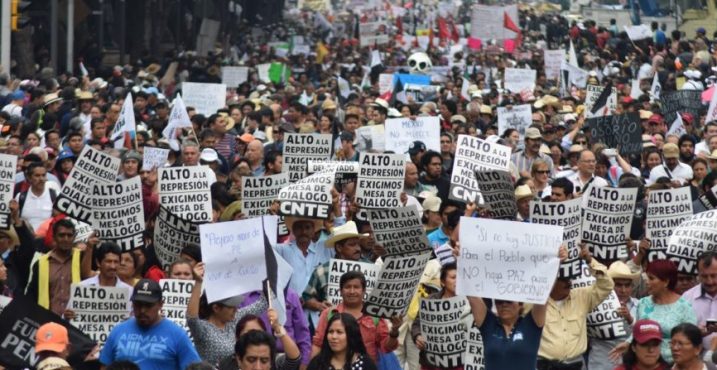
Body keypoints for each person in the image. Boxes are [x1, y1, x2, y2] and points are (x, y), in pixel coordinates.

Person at [467, 246, 567, 370]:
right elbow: (471, 293)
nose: (504, 304)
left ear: (520, 304)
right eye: (499, 301)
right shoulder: (488, 324)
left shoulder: (531, 324)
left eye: (509, 301)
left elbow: (544, 293)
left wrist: (557, 262)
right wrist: (462, 260)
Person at [538, 244, 614, 369]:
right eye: (563, 279)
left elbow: (607, 285)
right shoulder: (536, 302)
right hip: (545, 365)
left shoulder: (581, 296)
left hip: (576, 364)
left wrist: (590, 260)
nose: (569, 282)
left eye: (570, 278)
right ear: (551, 280)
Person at [100, 278, 200, 369]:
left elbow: (195, 368)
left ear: (161, 304)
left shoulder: (177, 335)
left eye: (148, 305)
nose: (142, 310)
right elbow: (104, 366)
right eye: (138, 305)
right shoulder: (118, 331)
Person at [612, 260, 697, 363]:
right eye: (647, 277)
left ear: (666, 281)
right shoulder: (643, 303)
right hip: (644, 365)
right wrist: (628, 343)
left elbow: (690, 341)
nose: (647, 282)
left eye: (651, 278)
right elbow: (638, 331)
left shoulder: (684, 307)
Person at [187, 262, 269, 365]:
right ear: (216, 308)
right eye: (231, 307)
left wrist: (264, 273)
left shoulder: (235, 318)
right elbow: (191, 319)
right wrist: (198, 282)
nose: (236, 309)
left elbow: (263, 303)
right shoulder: (203, 330)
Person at [311, 270, 399, 364]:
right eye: (347, 287)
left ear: (364, 291)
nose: (352, 291)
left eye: (356, 287)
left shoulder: (375, 316)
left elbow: (386, 347)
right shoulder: (329, 313)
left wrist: (394, 332)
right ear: (340, 291)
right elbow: (318, 344)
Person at [411, 263, 471, 369]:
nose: (458, 281)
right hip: (432, 363)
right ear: (443, 282)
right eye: (453, 277)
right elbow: (417, 324)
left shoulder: (471, 301)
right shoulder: (430, 301)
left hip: (461, 363)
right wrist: (418, 336)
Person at [589, 261, 640, 370]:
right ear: (609, 285)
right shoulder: (593, 304)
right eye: (618, 285)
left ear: (632, 286)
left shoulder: (640, 305)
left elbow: (643, 334)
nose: (623, 290)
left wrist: (630, 319)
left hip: (630, 365)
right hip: (600, 364)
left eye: (627, 285)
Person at [308, 313, 378, 370]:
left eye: (339, 332)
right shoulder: (317, 364)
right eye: (330, 331)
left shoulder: (367, 365)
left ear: (351, 335)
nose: (333, 336)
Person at [682, 252, 717, 352]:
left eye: (714, 276)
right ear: (698, 274)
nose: (709, 281)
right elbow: (680, 333)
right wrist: (696, 333)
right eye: (704, 276)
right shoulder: (687, 298)